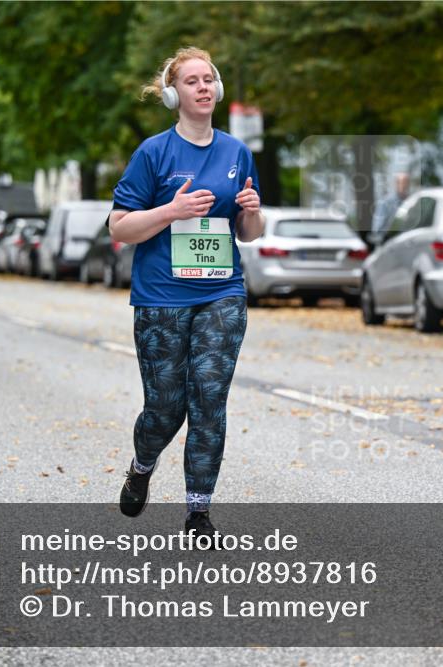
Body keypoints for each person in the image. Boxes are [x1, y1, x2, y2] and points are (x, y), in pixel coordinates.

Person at [108, 47, 263, 542]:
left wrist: (253, 211)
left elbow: (248, 232)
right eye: (190, 81)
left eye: (207, 79)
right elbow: (119, 227)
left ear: (215, 89)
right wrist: (170, 211)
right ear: (175, 94)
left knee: (209, 398)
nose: (201, 87)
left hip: (222, 292)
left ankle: (199, 512)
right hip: (160, 297)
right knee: (165, 407)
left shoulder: (237, 153)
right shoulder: (153, 153)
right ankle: (142, 464)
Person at [369, 172, 410, 244]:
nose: (404, 186)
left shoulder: (411, 202)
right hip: (388, 243)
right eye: (401, 183)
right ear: (396, 184)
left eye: (406, 183)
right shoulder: (385, 203)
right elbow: (377, 227)